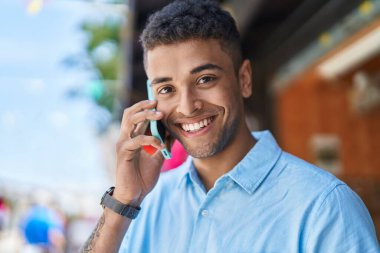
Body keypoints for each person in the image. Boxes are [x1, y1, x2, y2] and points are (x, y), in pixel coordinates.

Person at [82, 1, 379, 252]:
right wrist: (122, 201)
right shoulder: (143, 206)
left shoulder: (325, 208)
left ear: (244, 79)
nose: (187, 106)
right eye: (166, 89)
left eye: (205, 79)